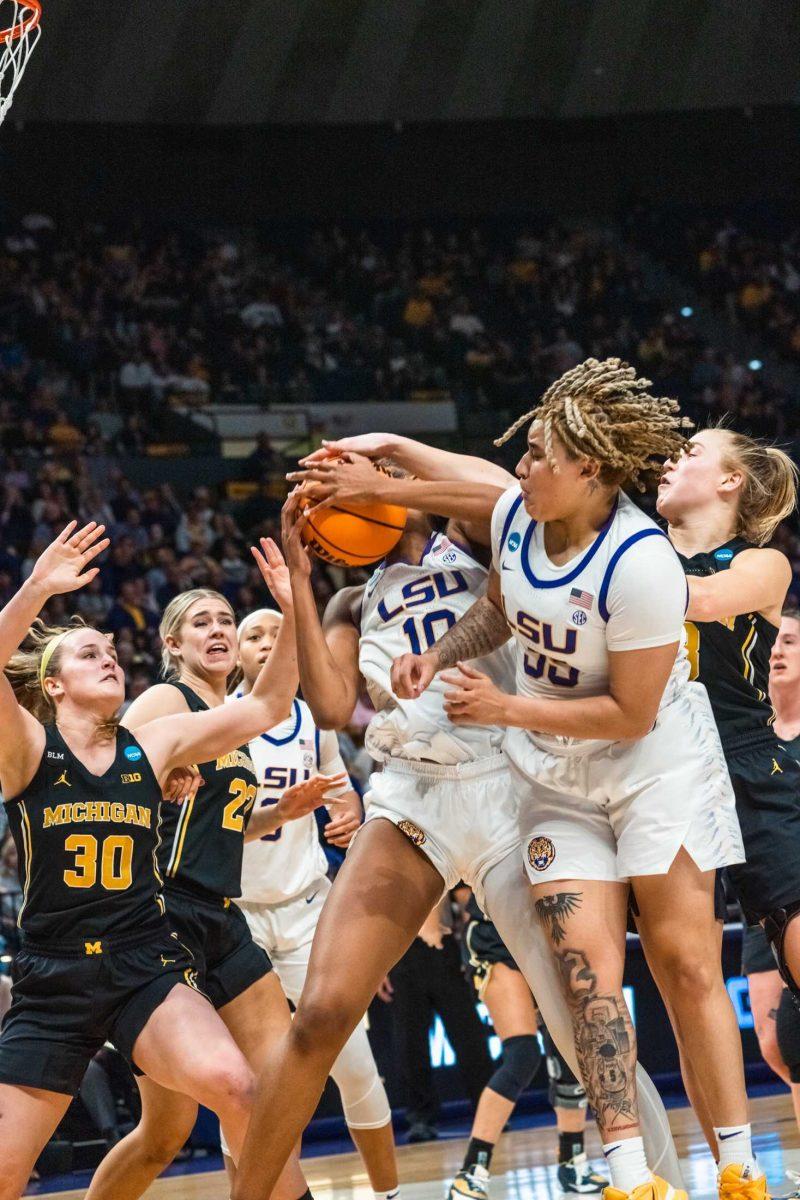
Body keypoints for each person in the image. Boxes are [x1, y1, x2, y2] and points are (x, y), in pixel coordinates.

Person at [230, 431, 683, 1200]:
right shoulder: (350, 597)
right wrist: (299, 584)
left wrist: (385, 478)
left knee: (583, 1020)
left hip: (514, 787)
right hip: (413, 794)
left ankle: (658, 1181)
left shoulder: (474, 536)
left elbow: (487, 491)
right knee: (322, 1014)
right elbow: (337, 705)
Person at [371, 361, 756, 1200]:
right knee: (588, 982)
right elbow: (502, 606)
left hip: (655, 763)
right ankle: (627, 1177)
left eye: (538, 454)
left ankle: (737, 1166)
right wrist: (436, 655)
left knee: (687, 969)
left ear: (591, 466)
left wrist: (505, 709)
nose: (520, 468)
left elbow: (628, 711)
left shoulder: (642, 563)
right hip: (555, 774)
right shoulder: (520, 519)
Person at [0, 522, 303, 1200]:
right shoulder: (27, 747)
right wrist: (38, 587)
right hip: (54, 979)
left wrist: (295, 604)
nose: (110, 655)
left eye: (111, 649)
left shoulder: (154, 743)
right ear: (52, 686)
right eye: (88, 653)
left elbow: (268, 703)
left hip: (143, 963)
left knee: (243, 1089)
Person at [86, 560, 344, 1200]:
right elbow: (101, 776)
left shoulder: (235, 716)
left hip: (219, 915)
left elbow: (219, 825)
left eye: (227, 618)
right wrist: (151, 778)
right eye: (201, 621)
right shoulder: (167, 700)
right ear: (172, 644)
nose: (219, 628)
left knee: (276, 1093)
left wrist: (277, 814)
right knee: (164, 1137)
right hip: (157, 912)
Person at [222, 607, 400, 1200]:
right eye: (254, 635)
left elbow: (342, 789)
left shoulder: (311, 719)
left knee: (355, 1068)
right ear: (238, 655)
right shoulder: (218, 722)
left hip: (305, 911)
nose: (268, 641)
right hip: (239, 920)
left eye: (279, 632)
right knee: (257, 1086)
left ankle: (388, 1194)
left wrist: (350, 814)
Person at [657, 427, 800, 1155]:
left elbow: (704, 599)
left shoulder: (761, 564)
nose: (672, 457)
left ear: (731, 483)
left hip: (751, 767)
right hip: (664, 774)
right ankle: (732, 1173)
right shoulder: (640, 547)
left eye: (692, 451)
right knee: (691, 989)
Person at [449, 891, 607, 1200]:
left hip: (551, 922)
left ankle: (573, 1161)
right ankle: (471, 1171)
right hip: (494, 929)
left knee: (569, 1048)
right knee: (522, 1055)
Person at [389, 895, 493, 1143]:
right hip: (398, 951)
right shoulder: (381, 860)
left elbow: (465, 897)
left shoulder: (436, 854)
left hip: (444, 945)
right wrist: (378, 965)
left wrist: (471, 949)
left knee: (468, 1034)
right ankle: (421, 1118)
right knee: (410, 1042)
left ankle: (489, 1111)